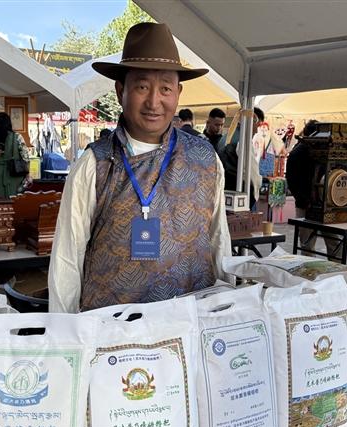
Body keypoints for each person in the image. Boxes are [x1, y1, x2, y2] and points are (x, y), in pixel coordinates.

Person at [48, 22, 231, 313]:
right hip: (113, 331)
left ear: (178, 92)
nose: (154, 102)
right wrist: (66, 330)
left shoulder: (205, 158)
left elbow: (218, 240)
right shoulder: (95, 164)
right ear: (121, 89)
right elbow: (67, 258)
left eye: (165, 88)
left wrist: (227, 310)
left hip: (190, 323)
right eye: (142, 87)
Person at [285, 120, 344, 261]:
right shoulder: (298, 153)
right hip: (309, 204)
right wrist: (303, 199)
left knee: (326, 241)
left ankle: (332, 267)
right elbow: (293, 181)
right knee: (310, 242)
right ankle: (314, 268)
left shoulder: (323, 150)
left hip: (323, 203)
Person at [218, 107, 265, 209]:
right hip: (239, 193)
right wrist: (257, 185)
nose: (256, 130)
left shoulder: (225, 138)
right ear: (251, 121)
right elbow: (252, 173)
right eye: (257, 125)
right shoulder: (243, 141)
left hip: (223, 191)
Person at [0, 112, 31, 197]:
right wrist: (28, 174)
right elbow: (26, 157)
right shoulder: (17, 137)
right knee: (14, 197)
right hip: (14, 172)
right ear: (9, 122)